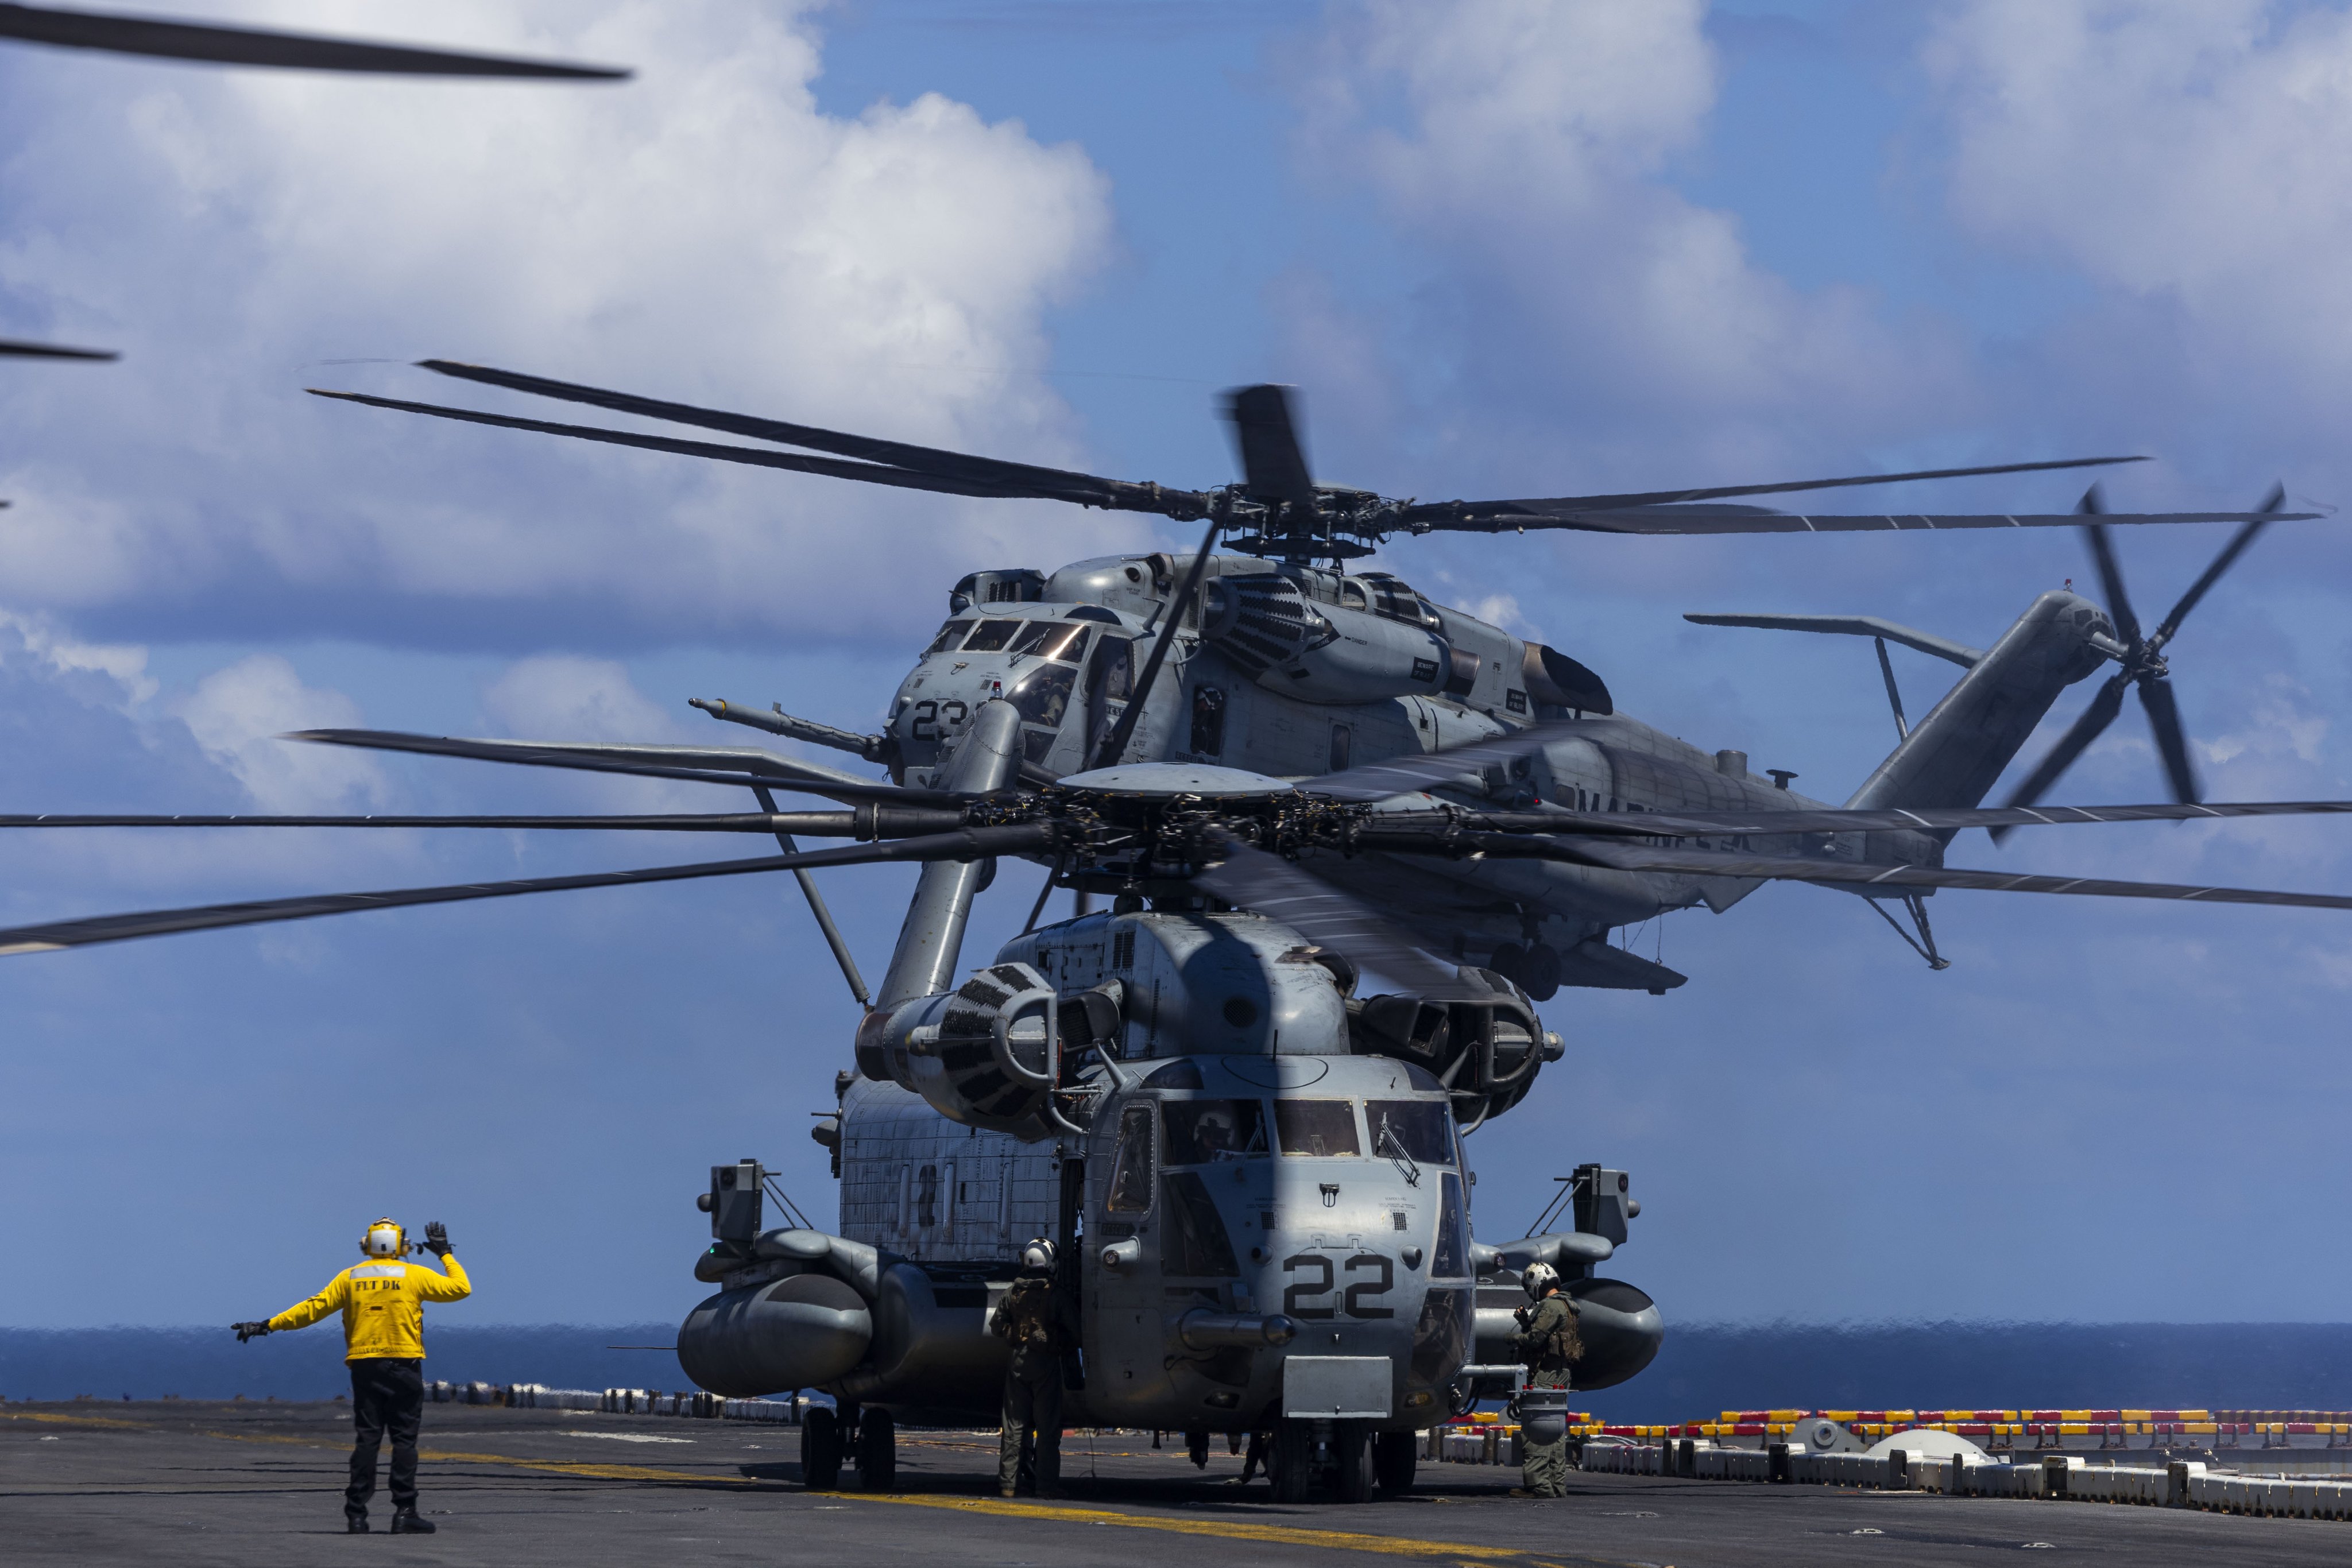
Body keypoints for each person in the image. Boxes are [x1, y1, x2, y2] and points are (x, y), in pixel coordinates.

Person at [232, 1218, 471, 1534]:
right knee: (404, 1440)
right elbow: (461, 1288)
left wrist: (267, 1325)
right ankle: (405, 1512)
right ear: (401, 1246)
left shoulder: (351, 1277)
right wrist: (445, 1254)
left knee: (368, 1440)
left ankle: (356, 1514)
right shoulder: (414, 1275)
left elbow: (313, 1308)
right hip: (404, 1365)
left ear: (367, 1245)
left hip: (364, 1366)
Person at [988, 1237, 1065, 1499]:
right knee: (1047, 1428)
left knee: (1013, 1427)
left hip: (1017, 1365)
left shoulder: (1012, 1293)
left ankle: (1008, 1485)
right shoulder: (1056, 1294)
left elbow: (996, 1327)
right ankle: (1045, 1486)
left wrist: (1015, 1333)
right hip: (1045, 1366)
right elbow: (1076, 1333)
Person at [1505, 1261, 1581, 1499]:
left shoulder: (1550, 1307)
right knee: (1555, 1431)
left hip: (1546, 1375)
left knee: (1537, 1428)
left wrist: (1514, 1337)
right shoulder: (1567, 1306)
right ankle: (1556, 1485)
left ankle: (1538, 1485)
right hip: (1562, 1374)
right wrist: (1527, 1321)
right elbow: (1550, 1336)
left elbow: (1536, 1339)